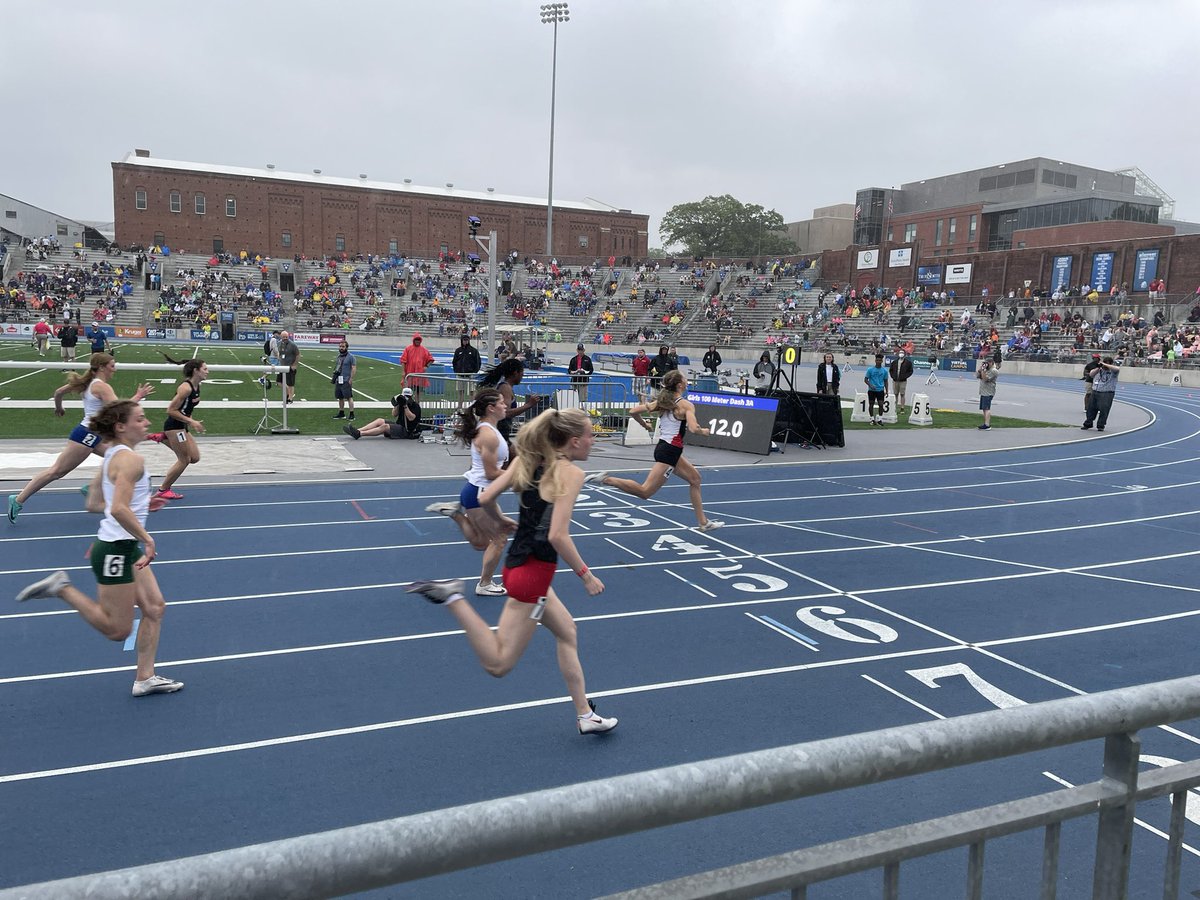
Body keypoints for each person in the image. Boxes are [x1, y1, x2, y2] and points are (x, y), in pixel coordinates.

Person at [406, 407, 617, 736]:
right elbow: (557, 535)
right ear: (574, 441)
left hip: (520, 566)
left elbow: (486, 494)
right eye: (591, 436)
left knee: (567, 632)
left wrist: (501, 518)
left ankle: (585, 714)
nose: (593, 441)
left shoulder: (526, 460)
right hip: (534, 577)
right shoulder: (570, 474)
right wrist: (586, 574)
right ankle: (455, 597)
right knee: (499, 663)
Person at [15, 399, 183, 697]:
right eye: (140, 419)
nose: (146, 423)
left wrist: (142, 505)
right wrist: (147, 538)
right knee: (117, 630)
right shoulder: (131, 460)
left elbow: (94, 503)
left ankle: (145, 678)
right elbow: (118, 509)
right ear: (121, 426)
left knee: (154, 608)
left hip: (118, 545)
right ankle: (62, 588)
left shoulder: (112, 457)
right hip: (118, 549)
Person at [7, 353, 153, 524]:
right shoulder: (101, 387)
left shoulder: (89, 383)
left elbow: (59, 392)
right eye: (112, 365)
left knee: (116, 459)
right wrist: (138, 397)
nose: (115, 369)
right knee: (56, 471)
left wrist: (59, 408)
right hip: (86, 436)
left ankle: (94, 488)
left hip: (92, 436)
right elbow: (119, 410)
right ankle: (18, 499)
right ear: (102, 367)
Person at [585, 370, 723, 532]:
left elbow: (633, 411)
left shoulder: (663, 401)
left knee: (695, 479)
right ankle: (607, 480)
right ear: (680, 385)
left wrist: (645, 425)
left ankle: (703, 522)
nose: (687, 381)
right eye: (685, 379)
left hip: (669, 450)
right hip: (669, 452)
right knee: (645, 492)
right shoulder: (686, 405)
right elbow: (693, 428)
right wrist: (704, 431)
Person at [425, 388, 515, 596]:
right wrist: (517, 475)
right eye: (502, 402)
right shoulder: (488, 435)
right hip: (479, 493)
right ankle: (484, 584)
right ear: (491, 408)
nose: (506, 405)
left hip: (479, 491)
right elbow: (491, 472)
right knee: (496, 540)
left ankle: (455, 513)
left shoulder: (489, 429)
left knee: (483, 542)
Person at [148, 355, 208, 500]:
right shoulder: (185, 388)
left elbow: (186, 408)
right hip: (174, 426)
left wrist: (190, 420)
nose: (208, 372)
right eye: (205, 369)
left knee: (195, 457)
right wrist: (191, 421)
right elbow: (171, 410)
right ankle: (163, 489)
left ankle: (162, 437)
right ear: (196, 371)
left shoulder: (196, 386)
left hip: (182, 426)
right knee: (184, 460)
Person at [478, 358, 542, 451]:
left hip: (503, 433)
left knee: (517, 460)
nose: (522, 377)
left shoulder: (505, 386)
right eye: (522, 373)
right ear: (515, 373)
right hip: (500, 433)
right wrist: (529, 405)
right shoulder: (505, 388)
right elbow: (506, 413)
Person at [343, 388, 423, 439]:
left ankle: (360, 434)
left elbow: (411, 418)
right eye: (405, 396)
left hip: (408, 431)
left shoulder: (415, 406)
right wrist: (397, 404)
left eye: (408, 396)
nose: (406, 398)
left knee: (385, 426)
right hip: (399, 425)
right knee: (379, 420)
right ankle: (357, 430)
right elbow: (394, 414)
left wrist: (405, 406)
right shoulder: (401, 403)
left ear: (411, 396)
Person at [1082, 356, 1119, 432]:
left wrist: (1107, 365)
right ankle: (1088, 423)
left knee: (1104, 410)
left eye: (1107, 364)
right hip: (1095, 391)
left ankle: (1101, 425)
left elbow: (1117, 369)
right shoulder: (1098, 370)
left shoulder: (1113, 372)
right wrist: (1098, 367)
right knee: (1091, 409)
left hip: (1107, 393)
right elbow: (1091, 374)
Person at [400, 332, 434, 401]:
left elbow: (431, 359)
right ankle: (408, 406)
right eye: (416, 340)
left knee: (418, 392)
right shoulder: (408, 349)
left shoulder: (424, 350)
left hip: (419, 376)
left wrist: (426, 366)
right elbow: (403, 360)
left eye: (419, 340)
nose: (417, 341)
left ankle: (417, 406)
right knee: (408, 392)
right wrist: (403, 371)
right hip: (410, 375)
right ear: (414, 340)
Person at [451, 333, 482, 403]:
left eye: (467, 340)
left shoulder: (474, 351)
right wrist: (456, 370)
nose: (465, 341)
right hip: (460, 375)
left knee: (472, 392)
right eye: (464, 340)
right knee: (460, 392)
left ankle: (471, 407)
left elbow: (478, 361)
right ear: (461, 341)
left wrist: (475, 371)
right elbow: (454, 361)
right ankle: (460, 407)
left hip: (470, 374)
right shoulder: (458, 351)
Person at [331, 338, 356, 420]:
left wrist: (351, 378)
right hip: (339, 379)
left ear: (346, 347)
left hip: (346, 380)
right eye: (340, 346)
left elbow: (353, 368)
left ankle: (352, 414)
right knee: (340, 397)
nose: (341, 348)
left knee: (349, 397)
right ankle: (341, 413)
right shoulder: (338, 356)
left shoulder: (351, 357)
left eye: (343, 346)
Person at [863, 353, 889, 426]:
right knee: (871, 404)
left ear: (881, 361)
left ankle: (880, 419)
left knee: (881, 404)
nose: (878, 362)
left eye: (880, 360)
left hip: (880, 390)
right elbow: (865, 380)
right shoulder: (870, 369)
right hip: (871, 390)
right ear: (875, 361)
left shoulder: (884, 371)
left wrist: (886, 390)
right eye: (877, 360)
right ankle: (872, 419)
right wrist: (870, 385)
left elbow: (886, 381)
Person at [277, 330, 300, 404]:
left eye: (286, 337)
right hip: (281, 366)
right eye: (284, 337)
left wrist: (295, 365)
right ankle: (289, 393)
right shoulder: (279, 343)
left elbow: (298, 355)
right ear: (281, 337)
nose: (285, 338)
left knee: (290, 383)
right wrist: (279, 359)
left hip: (290, 367)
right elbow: (279, 353)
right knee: (279, 382)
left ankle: (290, 398)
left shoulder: (292, 345)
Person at [977, 358, 998, 430]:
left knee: (987, 408)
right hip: (983, 391)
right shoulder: (986, 370)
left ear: (991, 363)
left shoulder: (994, 371)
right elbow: (978, 376)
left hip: (988, 392)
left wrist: (983, 370)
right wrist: (980, 370)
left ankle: (987, 424)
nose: (986, 365)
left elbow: (985, 379)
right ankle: (985, 423)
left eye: (987, 363)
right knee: (984, 408)